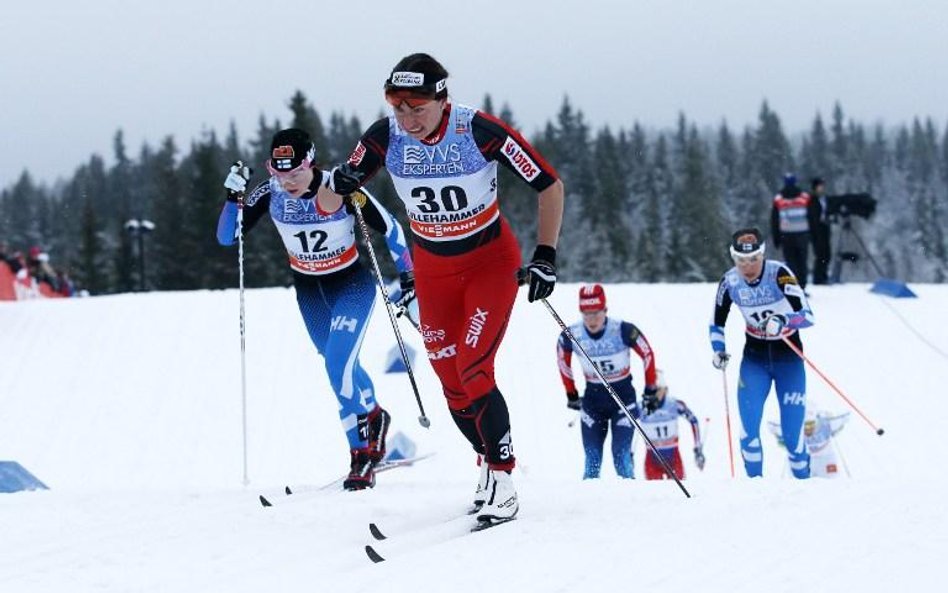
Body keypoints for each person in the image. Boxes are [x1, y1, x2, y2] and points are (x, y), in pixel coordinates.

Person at [321, 53, 565, 523]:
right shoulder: (383, 136)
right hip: (433, 269)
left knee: (475, 368)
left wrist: (546, 256)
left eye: (418, 108)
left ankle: (504, 477)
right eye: (400, 109)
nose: (408, 120)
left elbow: (549, 185)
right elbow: (331, 199)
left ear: (441, 99)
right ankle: (488, 466)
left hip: (489, 263)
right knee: (451, 382)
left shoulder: (478, 130)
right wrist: (341, 180)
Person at [216, 128, 415, 491]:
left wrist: (408, 277)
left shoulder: (340, 186)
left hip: (351, 286)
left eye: (295, 172)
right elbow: (228, 237)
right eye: (279, 172)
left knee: (337, 364)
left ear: (310, 162)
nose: (288, 181)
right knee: (340, 366)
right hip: (309, 292)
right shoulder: (269, 192)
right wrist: (232, 198)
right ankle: (374, 416)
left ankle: (362, 452)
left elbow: (391, 228)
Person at [709, 227, 815, 479]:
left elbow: (808, 316)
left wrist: (784, 320)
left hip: (788, 359)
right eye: (741, 261)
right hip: (754, 360)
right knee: (748, 433)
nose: (748, 267)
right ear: (734, 258)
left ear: (763, 255)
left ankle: (806, 488)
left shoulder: (779, 273)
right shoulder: (730, 281)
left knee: (792, 438)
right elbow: (716, 322)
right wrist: (718, 349)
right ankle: (754, 490)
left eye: (754, 259)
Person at [556, 284, 658, 480]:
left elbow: (648, 354)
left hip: (623, 401)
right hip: (593, 402)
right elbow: (562, 359)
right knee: (592, 463)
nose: (591, 319)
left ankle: (632, 502)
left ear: (605, 310)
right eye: (586, 313)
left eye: (596, 312)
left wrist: (650, 390)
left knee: (621, 459)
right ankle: (588, 507)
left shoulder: (623, 330)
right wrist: (571, 393)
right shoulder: (572, 334)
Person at [639, 370, 704, 480]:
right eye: (652, 390)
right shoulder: (641, 407)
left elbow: (693, 420)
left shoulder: (674, 405)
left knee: (680, 494)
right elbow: (626, 423)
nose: (655, 394)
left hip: (673, 459)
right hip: (652, 461)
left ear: (665, 390)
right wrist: (628, 451)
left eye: (658, 389)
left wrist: (697, 448)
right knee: (653, 495)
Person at [768, 408, 850, 478]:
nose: (808, 428)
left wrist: (832, 416)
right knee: (799, 488)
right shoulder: (794, 427)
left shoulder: (826, 423)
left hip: (826, 458)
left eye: (811, 424)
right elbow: (772, 426)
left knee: (832, 485)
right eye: (805, 425)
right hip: (803, 460)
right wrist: (781, 436)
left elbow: (845, 416)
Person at [770, 173, 818, 290]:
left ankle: (793, 286)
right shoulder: (805, 198)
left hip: (786, 234)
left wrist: (776, 238)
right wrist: (814, 235)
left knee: (791, 262)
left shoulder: (779, 199)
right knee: (802, 261)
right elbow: (812, 217)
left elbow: (774, 220)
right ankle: (802, 286)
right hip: (802, 233)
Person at [809, 177, 832, 285]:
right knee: (820, 254)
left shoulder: (823, 199)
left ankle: (823, 275)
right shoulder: (812, 200)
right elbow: (813, 216)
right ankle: (819, 277)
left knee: (826, 254)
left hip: (824, 229)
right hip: (816, 231)